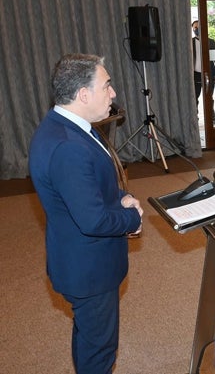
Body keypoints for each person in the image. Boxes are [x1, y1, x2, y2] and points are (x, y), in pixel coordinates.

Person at [28, 54, 143, 374]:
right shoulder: (68, 145)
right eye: (106, 85)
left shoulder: (66, 127)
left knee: (90, 336)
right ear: (83, 94)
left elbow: (85, 190)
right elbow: (92, 219)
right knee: (100, 350)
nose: (113, 92)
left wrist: (121, 198)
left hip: (80, 261)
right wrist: (133, 219)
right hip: (89, 269)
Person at [192, 20, 215, 125]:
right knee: (194, 98)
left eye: (198, 27)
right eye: (195, 28)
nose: (197, 29)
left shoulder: (210, 42)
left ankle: (211, 119)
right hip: (195, 75)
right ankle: (195, 120)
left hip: (209, 74)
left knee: (209, 98)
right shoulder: (190, 42)